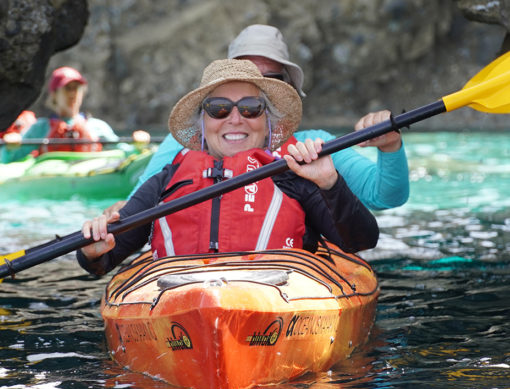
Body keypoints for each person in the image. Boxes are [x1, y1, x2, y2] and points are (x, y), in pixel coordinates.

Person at [77, 59, 379, 276]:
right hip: (182, 304)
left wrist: (330, 183)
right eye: (219, 109)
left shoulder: (292, 176)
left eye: (250, 108)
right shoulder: (165, 182)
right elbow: (105, 259)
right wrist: (91, 250)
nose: (235, 119)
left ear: (266, 123)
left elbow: (361, 241)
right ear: (203, 123)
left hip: (272, 302)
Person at [106, 24, 409, 216]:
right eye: (244, 76)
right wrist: (115, 219)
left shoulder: (314, 146)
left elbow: (385, 196)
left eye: (270, 79)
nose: (256, 88)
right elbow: (136, 205)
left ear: (285, 89)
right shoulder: (183, 147)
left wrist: (390, 146)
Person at [0, 66, 150, 163]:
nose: (72, 94)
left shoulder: (97, 126)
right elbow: (7, 159)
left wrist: (139, 145)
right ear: (54, 95)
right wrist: (10, 147)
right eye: (67, 88)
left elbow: (122, 150)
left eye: (76, 88)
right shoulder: (41, 127)